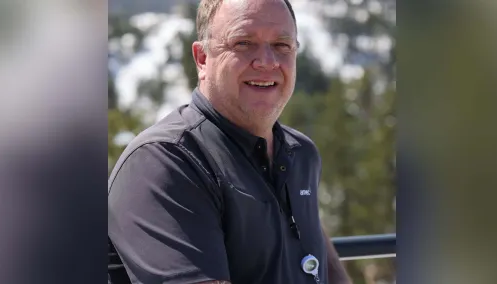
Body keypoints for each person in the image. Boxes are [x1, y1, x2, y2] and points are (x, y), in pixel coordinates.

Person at [108, 0, 352, 283]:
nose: (267, 61)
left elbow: (317, 261)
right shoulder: (163, 162)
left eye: (282, 46)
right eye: (243, 43)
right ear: (202, 59)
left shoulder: (301, 155)